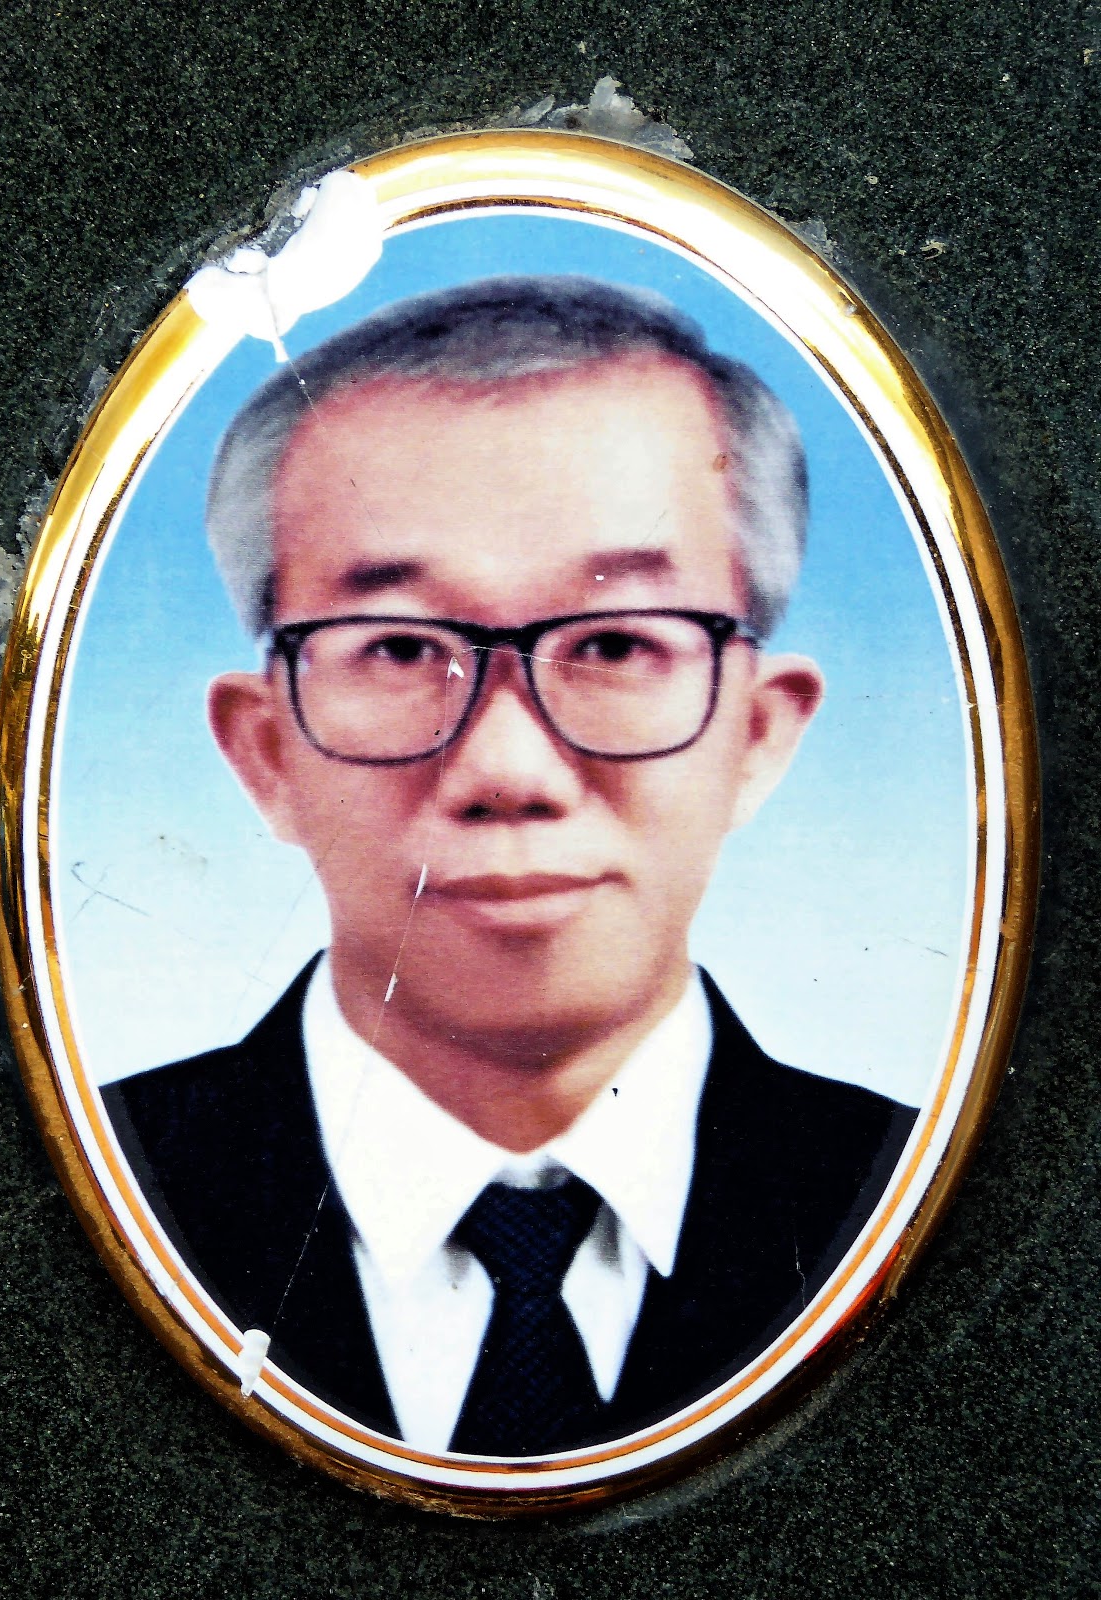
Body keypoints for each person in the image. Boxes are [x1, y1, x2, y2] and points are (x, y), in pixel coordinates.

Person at [103, 277, 917, 1457]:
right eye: (399, 647)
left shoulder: (916, 1200)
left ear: (759, 734)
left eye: (615, 641)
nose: (507, 767)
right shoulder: (83, 1195)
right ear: (264, 750)